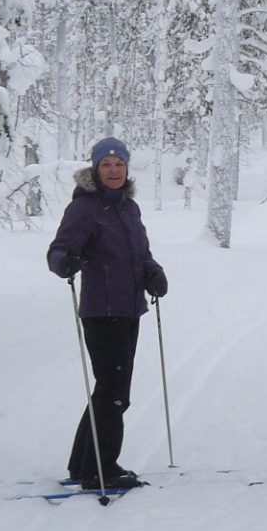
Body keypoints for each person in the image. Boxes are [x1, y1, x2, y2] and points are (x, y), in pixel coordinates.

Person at [46, 137, 168, 490]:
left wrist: (153, 273)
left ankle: (83, 465)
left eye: (119, 164)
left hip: (129, 308)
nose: (113, 170)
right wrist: (63, 264)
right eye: (106, 165)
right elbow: (59, 249)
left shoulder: (129, 208)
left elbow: (140, 254)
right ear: (95, 170)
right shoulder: (84, 209)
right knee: (115, 393)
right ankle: (103, 469)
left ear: (127, 169)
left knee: (107, 390)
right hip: (102, 311)